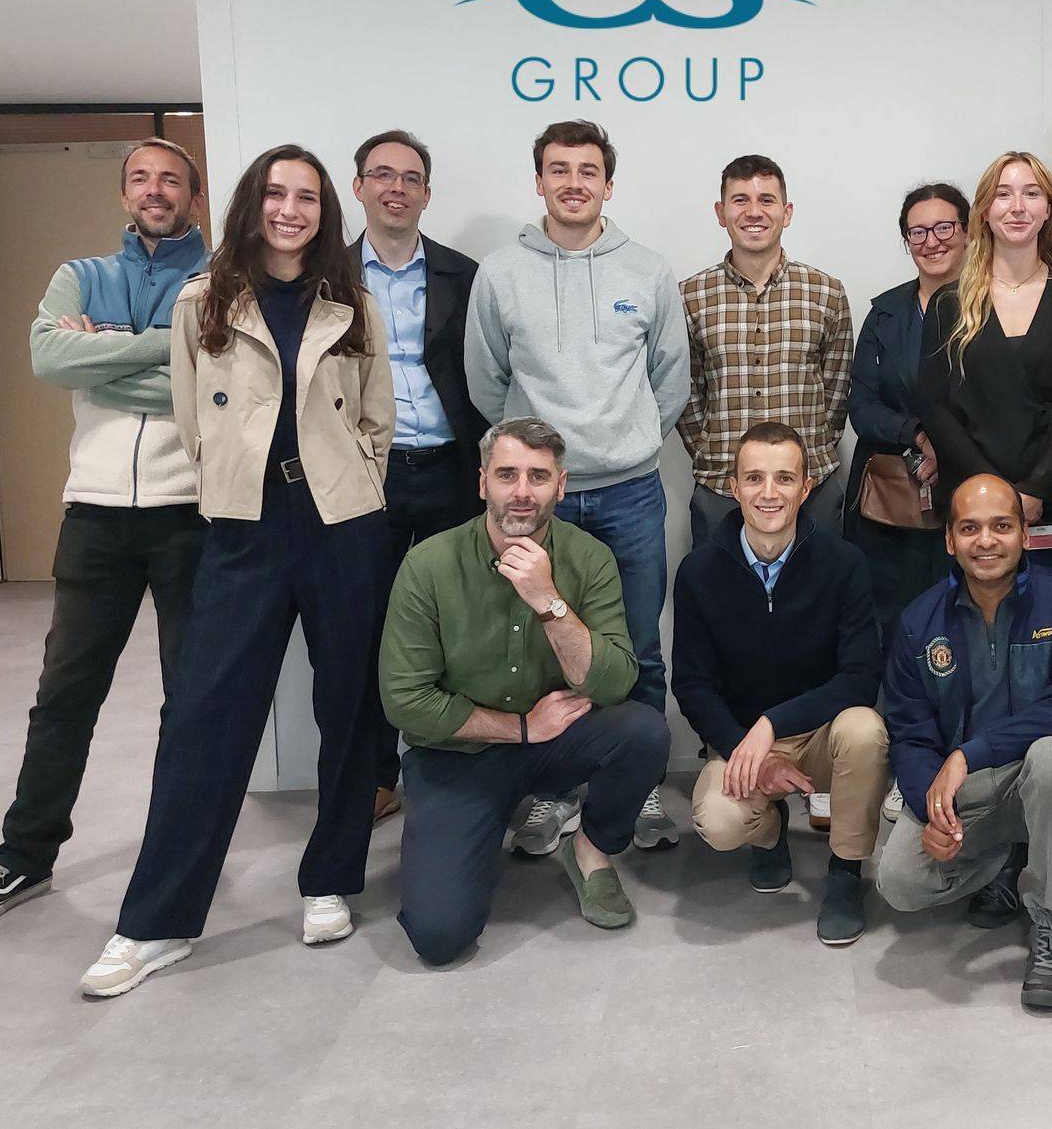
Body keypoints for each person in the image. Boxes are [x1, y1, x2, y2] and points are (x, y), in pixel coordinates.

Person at [81, 145, 395, 997]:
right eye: (275, 193)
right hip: (245, 527)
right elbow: (193, 418)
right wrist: (234, 481)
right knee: (205, 720)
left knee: (349, 707)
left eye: (306, 196)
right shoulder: (203, 301)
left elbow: (377, 416)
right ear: (251, 204)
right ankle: (155, 921)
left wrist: (355, 476)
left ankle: (330, 878)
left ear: (325, 211)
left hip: (341, 522)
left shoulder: (353, 303)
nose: (290, 209)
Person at [0, 139, 209, 929]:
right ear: (123, 194)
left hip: (190, 514)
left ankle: (180, 856)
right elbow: (47, 356)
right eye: (140, 178)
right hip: (93, 514)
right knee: (64, 697)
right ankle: (24, 859)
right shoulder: (82, 274)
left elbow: (217, 375)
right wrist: (161, 349)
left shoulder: (216, 280)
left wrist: (100, 351)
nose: (154, 190)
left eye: (170, 179)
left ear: (194, 197)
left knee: (190, 700)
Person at [465, 120, 688, 855]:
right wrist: (533, 470)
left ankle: (644, 783)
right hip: (540, 501)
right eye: (557, 169)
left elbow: (670, 380)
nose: (572, 183)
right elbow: (486, 378)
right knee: (541, 644)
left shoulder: (648, 271)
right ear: (538, 182)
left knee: (638, 644)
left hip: (628, 490)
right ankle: (553, 793)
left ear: (608, 185)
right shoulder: (499, 272)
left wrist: (624, 444)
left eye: (587, 170)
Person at [382, 418, 668, 964]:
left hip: (555, 744)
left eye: (538, 477)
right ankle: (472, 836)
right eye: (507, 474)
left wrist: (549, 601)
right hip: (459, 755)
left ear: (560, 487)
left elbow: (615, 682)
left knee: (641, 731)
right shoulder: (428, 565)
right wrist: (519, 727)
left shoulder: (589, 559)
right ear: (482, 482)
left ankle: (591, 851)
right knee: (440, 936)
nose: (521, 492)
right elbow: (405, 702)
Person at [875, 474, 1052, 1011]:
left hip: (1051, 775)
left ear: (1026, 532)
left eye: (1002, 526)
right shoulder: (918, 621)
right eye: (970, 528)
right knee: (900, 882)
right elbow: (909, 733)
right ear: (949, 540)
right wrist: (927, 808)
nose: (987, 541)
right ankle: (1014, 854)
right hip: (974, 790)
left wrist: (966, 754)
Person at [674, 423, 888, 945]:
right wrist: (751, 747)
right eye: (754, 478)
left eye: (784, 478)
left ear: (806, 487)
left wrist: (776, 724)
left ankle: (844, 871)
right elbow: (693, 686)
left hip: (819, 733)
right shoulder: (698, 572)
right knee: (720, 822)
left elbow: (860, 677)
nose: (769, 493)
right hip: (744, 740)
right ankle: (768, 836)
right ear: (734, 485)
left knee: (866, 729)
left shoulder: (845, 565)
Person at [349, 128, 488, 824]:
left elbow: (488, 376)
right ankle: (376, 771)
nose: (396, 187)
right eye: (382, 175)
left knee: (456, 627)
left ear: (427, 194)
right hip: (364, 479)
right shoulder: (325, 275)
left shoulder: (465, 275)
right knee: (369, 627)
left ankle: (450, 764)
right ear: (359, 188)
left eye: (410, 177)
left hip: (451, 472)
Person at [916, 152, 1052, 587]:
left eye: (1031, 193)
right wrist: (993, 496)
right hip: (974, 512)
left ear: (1048, 209)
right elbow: (936, 407)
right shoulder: (950, 302)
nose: (1017, 206)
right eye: (1003, 194)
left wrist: (1035, 489)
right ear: (984, 210)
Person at [847, 183, 968, 823]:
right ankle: (901, 762)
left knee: (958, 629)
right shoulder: (886, 313)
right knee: (894, 628)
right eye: (918, 231)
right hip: (890, 504)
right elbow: (859, 402)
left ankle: (953, 762)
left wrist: (947, 441)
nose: (932, 241)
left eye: (944, 227)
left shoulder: (990, 305)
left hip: (966, 498)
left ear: (969, 232)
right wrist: (913, 435)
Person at [680, 154, 854, 538]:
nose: (753, 211)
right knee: (719, 597)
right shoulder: (690, 296)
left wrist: (804, 459)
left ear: (786, 212)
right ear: (721, 212)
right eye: (740, 200)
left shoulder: (826, 293)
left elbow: (837, 394)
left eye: (767, 200)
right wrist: (716, 451)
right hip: (721, 487)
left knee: (819, 596)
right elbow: (686, 395)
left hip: (811, 488)